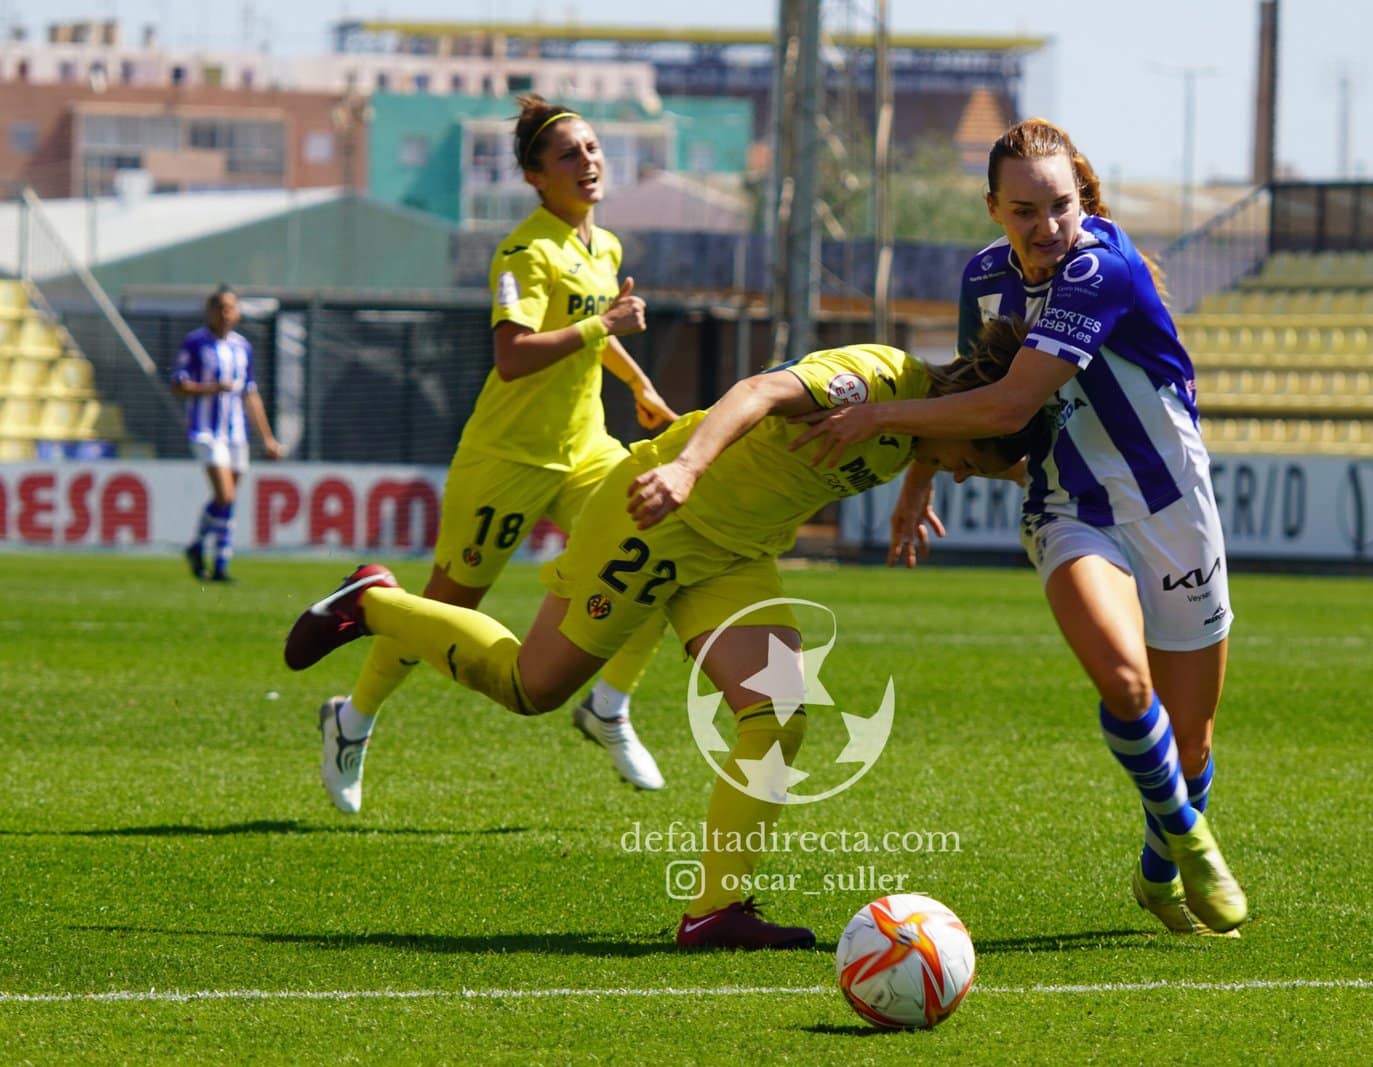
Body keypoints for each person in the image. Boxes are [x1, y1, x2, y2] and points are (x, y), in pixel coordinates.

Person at [285, 325, 1046, 949]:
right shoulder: (877, 380)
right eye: (968, 464)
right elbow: (759, 391)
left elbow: (952, 449)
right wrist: (685, 467)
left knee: (779, 713)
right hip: (659, 516)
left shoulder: (915, 431)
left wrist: (924, 484)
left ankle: (716, 911)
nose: (961, 473)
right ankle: (376, 601)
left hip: (732, 552)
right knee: (531, 687)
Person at [789, 118, 1248, 936]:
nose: (1047, 228)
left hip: (1172, 505)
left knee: (1194, 742)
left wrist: (880, 419)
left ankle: (1155, 875)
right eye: (1026, 211)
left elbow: (1008, 403)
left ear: (1081, 197)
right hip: (1067, 506)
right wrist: (918, 476)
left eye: (1061, 207)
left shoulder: (1101, 267)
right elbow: (976, 379)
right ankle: (1188, 836)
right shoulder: (984, 277)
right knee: (1122, 677)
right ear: (995, 207)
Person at [314, 96, 681, 815]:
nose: (588, 162)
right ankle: (350, 719)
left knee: (662, 543)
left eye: (593, 148)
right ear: (534, 177)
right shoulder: (524, 251)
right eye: (569, 154)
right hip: (507, 458)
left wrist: (642, 386)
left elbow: (594, 336)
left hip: (583, 450)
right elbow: (512, 357)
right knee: (446, 610)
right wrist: (603, 323)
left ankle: (608, 704)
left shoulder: (602, 247)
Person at [171, 284, 284, 583]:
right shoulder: (195, 343)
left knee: (227, 500)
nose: (225, 313)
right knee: (225, 494)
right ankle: (217, 559)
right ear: (210, 311)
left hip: (236, 433)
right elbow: (179, 385)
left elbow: (251, 395)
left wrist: (268, 438)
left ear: (237, 312)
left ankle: (206, 554)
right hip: (206, 430)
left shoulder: (242, 347)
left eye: (230, 308)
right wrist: (212, 388)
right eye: (219, 308)